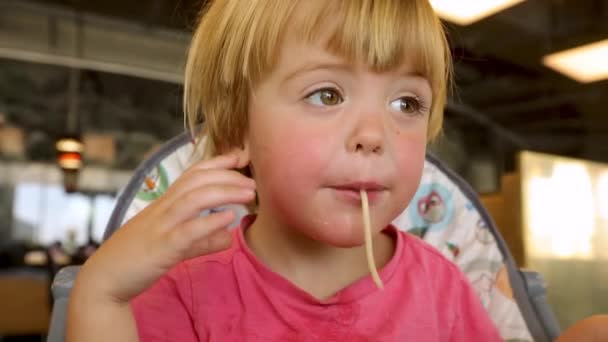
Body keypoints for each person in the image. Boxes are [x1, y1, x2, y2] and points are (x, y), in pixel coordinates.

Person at [67, 0, 504, 340]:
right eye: (327, 95)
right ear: (239, 128)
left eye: (406, 104)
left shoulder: (442, 289)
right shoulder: (189, 292)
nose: (375, 134)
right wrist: (100, 294)